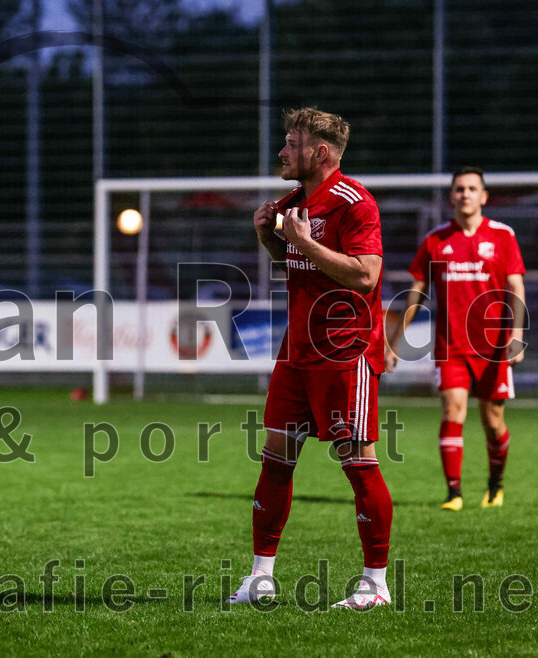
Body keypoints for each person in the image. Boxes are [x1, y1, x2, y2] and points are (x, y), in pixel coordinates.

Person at [230, 107, 393, 610]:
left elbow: (365, 276)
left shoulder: (354, 203)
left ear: (319, 152)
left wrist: (301, 240)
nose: (281, 151)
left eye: (290, 143)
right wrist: (270, 239)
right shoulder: (293, 203)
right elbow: (300, 265)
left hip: (345, 353)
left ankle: (375, 585)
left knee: (358, 463)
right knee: (275, 461)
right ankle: (261, 577)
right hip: (295, 353)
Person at [386, 167, 525, 511]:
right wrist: (395, 342)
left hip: (494, 347)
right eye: (459, 189)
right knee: (453, 411)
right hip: (451, 347)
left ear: (484, 196)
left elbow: (516, 287)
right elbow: (416, 292)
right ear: (451, 196)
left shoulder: (503, 236)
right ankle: (454, 493)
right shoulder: (436, 240)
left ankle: (495, 484)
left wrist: (518, 335)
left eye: (472, 188)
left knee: (493, 423)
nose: (465, 194)